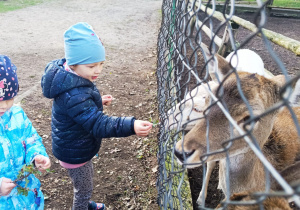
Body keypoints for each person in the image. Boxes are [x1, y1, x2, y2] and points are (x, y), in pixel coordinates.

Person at [41, 22, 152, 210]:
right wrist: (130, 125)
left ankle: (86, 203)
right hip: (74, 153)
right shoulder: (74, 92)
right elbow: (97, 123)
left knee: (85, 182)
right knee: (83, 189)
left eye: (101, 64)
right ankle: (83, 205)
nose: (98, 70)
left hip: (76, 145)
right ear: (74, 64)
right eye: (92, 65)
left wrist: (97, 101)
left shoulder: (72, 80)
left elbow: (82, 109)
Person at [0, 55, 51, 209]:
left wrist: (36, 156)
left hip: (26, 195)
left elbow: (31, 140)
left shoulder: (17, 115)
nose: (3, 106)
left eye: (9, 98)